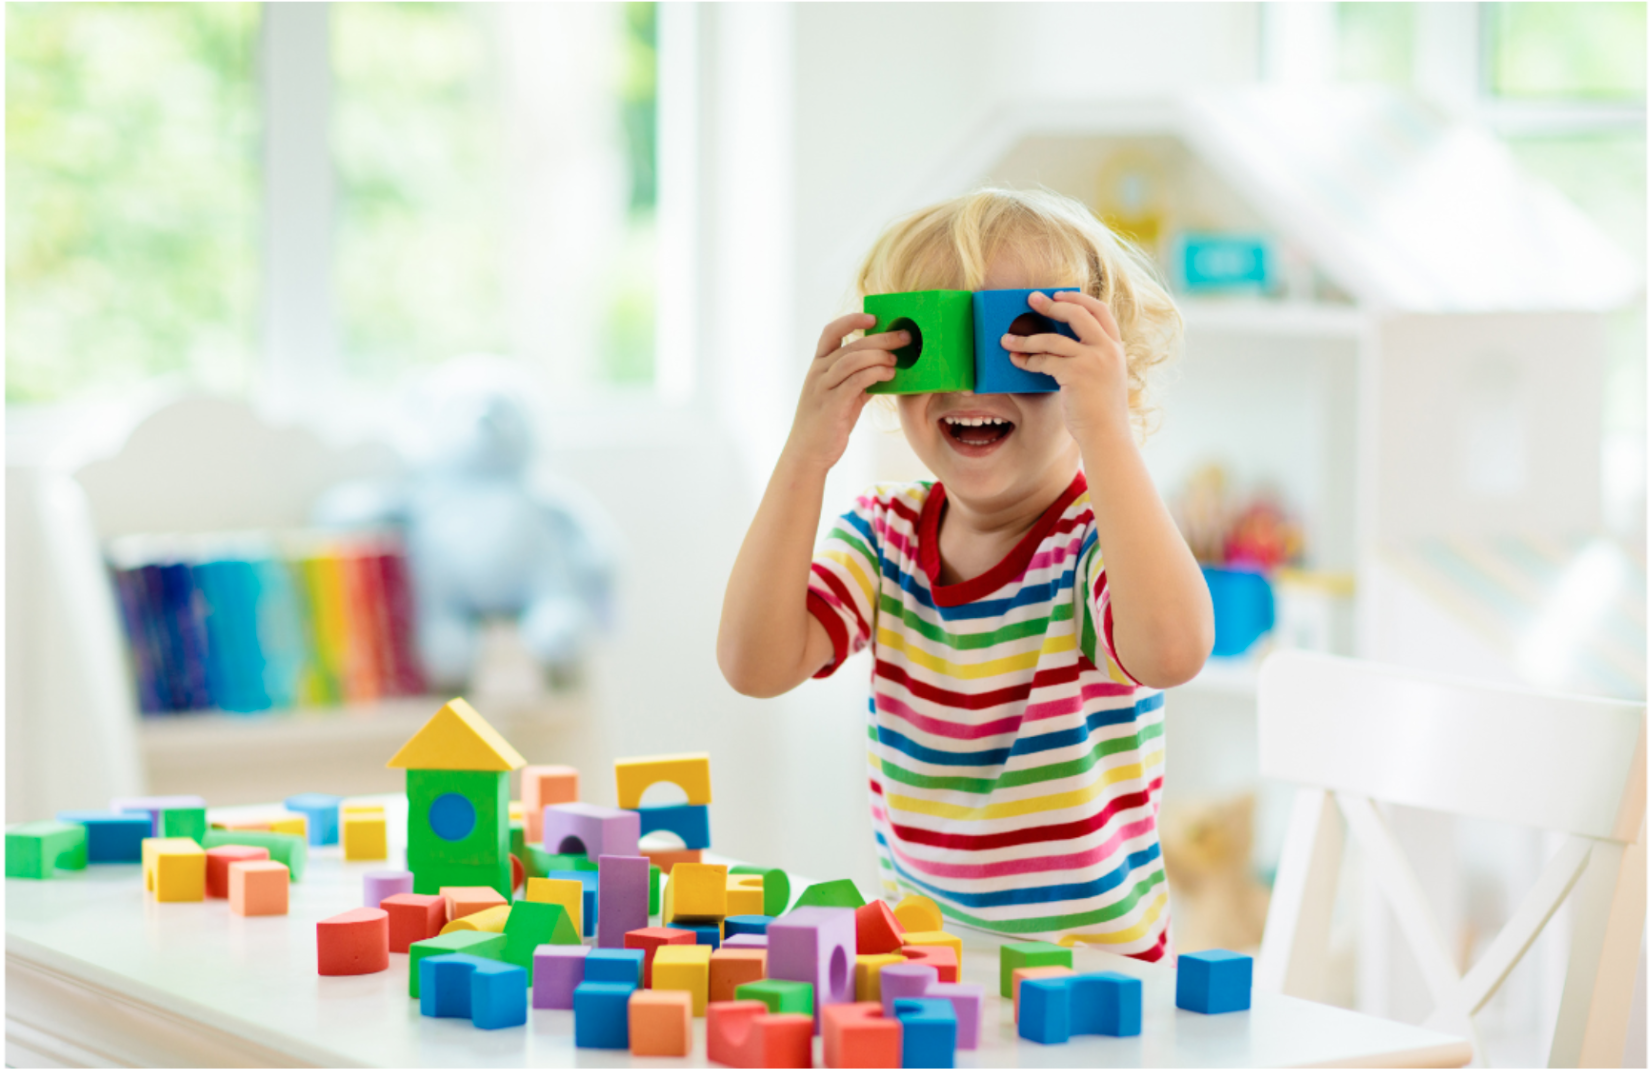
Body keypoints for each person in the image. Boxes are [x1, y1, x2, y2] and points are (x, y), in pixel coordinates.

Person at [717, 187, 1212, 959]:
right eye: (934, 344)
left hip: (1093, 978)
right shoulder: (884, 541)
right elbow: (754, 664)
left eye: (1028, 346)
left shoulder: (1093, 548)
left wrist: (1105, 428)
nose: (974, 385)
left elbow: (1172, 651)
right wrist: (805, 454)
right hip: (931, 967)